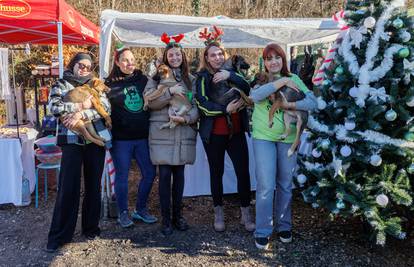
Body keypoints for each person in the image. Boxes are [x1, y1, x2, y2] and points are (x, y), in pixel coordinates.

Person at [250, 43, 317, 250]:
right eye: (269, 59)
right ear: (265, 62)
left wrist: (291, 105)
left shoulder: (295, 79)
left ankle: (284, 226)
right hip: (263, 137)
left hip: (287, 139)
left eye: (277, 58)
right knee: (265, 186)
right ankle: (262, 230)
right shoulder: (260, 80)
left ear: (283, 60)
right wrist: (281, 83)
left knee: (285, 185)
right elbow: (255, 97)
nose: (273, 62)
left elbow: (313, 102)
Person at [46, 52, 111, 252]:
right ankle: (59, 235)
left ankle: (90, 228)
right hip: (71, 140)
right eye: (80, 65)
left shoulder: (95, 84)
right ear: (73, 64)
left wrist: (81, 114)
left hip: (95, 141)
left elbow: (106, 107)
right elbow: (53, 107)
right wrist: (81, 105)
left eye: (88, 66)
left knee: (93, 186)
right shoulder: (61, 83)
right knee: (68, 187)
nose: (84, 68)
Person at [195, 27, 255, 233]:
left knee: (243, 172)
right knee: (216, 172)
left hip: (236, 132)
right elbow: (202, 104)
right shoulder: (202, 77)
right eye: (213, 55)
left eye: (220, 53)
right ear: (207, 57)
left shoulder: (233, 72)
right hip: (213, 134)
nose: (217, 57)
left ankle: (245, 211)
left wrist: (230, 74)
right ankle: (218, 211)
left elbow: (247, 89)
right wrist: (224, 109)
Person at [144, 33, 198, 236]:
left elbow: (195, 106)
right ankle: (166, 219)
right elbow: (149, 103)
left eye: (178, 55)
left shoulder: (190, 80)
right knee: (165, 176)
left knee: (180, 176)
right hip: (162, 133)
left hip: (182, 131)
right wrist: (169, 93)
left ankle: (178, 216)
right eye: (171, 55)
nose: (175, 58)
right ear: (166, 57)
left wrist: (187, 119)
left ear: (183, 57)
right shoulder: (155, 78)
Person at [105, 46, 157, 228]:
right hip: (121, 140)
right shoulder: (109, 84)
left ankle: (140, 209)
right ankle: (123, 213)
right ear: (117, 62)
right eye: (125, 60)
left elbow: (156, 95)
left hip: (143, 137)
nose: (130, 63)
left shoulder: (143, 80)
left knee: (150, 173)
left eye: (132, 59)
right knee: (122, 176)